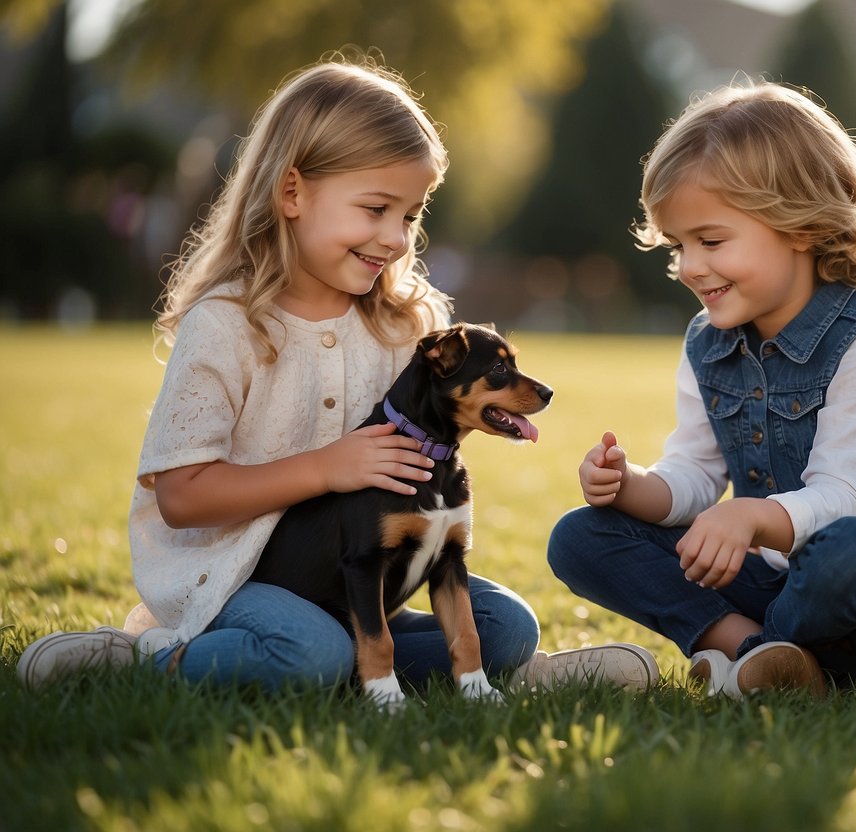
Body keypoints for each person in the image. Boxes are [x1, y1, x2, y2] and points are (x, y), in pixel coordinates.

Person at [18, 55, 657, 696]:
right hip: (236, 580)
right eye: (376, 208)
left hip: (359, 578)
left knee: (508, 624)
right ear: (292, 192)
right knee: (307, 651)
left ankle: (492, 671)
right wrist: (326, 468)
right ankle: (144, 658)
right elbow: (181, 498)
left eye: (409, 215)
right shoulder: (227, 325)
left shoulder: (408, 325)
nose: (397, 237)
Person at [547, 80, 856, 698]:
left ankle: (762, 651)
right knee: (581, 536)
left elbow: (844, 501)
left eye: (711, 240)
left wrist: (750, 515)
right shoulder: (708, 341)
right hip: (786, 583)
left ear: (800, 226)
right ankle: (757, 654)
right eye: (679, 246)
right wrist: (631, 487)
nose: (691, 267)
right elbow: (695, 479)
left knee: (850, 549)